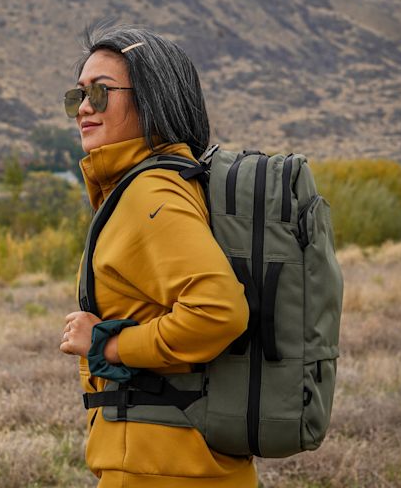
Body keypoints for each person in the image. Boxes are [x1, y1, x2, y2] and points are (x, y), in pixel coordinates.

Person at [59, 25, 257, 487]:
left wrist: (107, 344)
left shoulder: (150, 193)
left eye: (101, 93)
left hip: (161, 468)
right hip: (177, 460)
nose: (84, 108)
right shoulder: (156, 183)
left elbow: (219, 312)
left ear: (151, 99)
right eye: (78, 96)